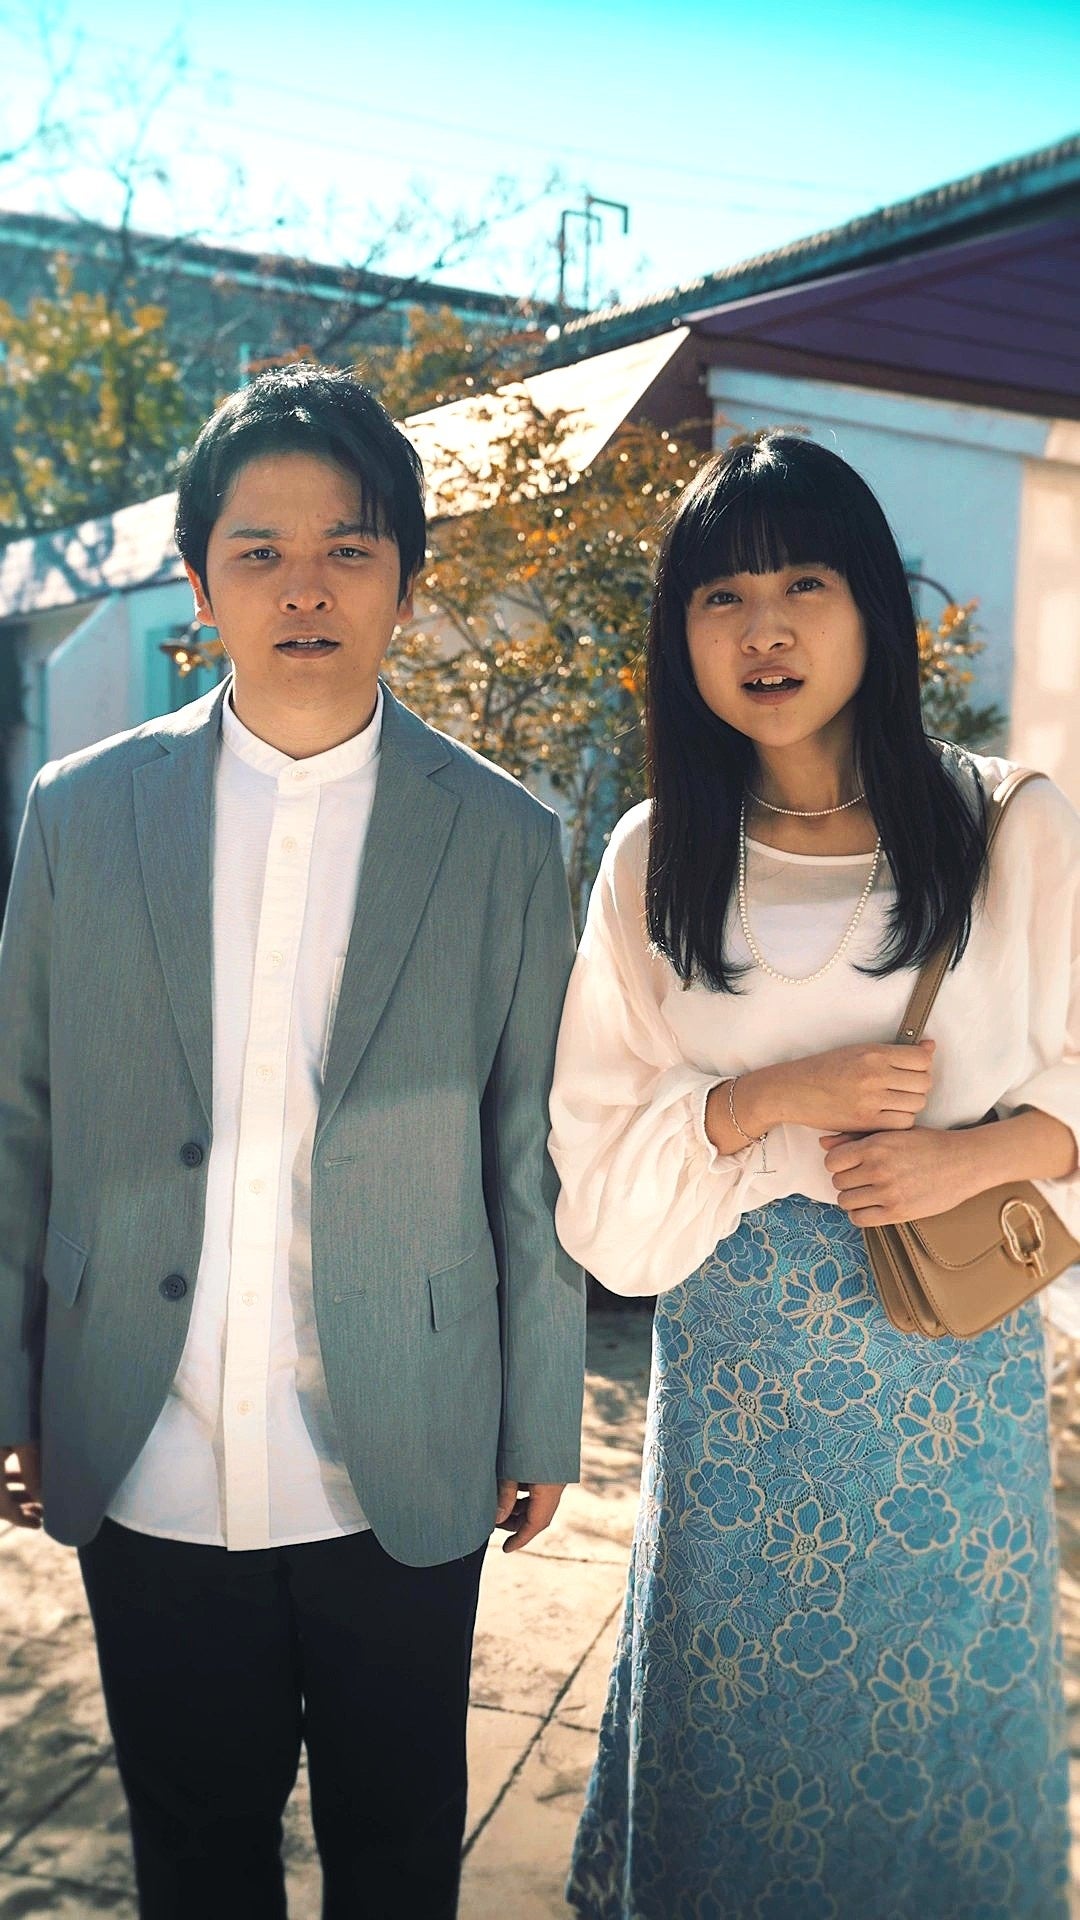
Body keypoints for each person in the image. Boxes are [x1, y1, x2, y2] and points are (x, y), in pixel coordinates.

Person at [0, 363, 585, 1920]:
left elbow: (527, 1149)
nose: (305, 587)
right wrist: (11, 1380)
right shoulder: (80, 813)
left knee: (400, 1855)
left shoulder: (503, 838)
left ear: (407, 579)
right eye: (259, 551)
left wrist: (541, 1413)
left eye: (348, 548)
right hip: (146, 1439)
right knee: (195, 1858)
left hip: (404, 1449)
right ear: (199, 585)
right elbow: (19, 1117)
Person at [549, 434, 1079, 1919]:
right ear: (681, 636)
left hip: (945, 1368)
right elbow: (594, 1156)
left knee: (935, 1734)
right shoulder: (655, 855)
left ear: (872, 610)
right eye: (721, 597)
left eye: (804, 584)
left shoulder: (1008, 824)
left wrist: (971, 1154)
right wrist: (773, 1102)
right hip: (737, 1387)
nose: (764, 629)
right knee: (738, 1749)